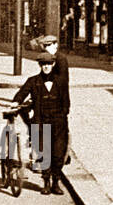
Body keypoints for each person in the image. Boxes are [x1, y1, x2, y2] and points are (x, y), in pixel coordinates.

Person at [12, 52, 70, 194]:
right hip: (41, 122)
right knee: (44, 153)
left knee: (58, 154)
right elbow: (21, 94)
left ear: (53, 64)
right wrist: (15, 102)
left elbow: (66, 103)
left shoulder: (61, 81)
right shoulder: (33, 81)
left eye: (49, 64)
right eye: (43, 64)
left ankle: (56, 183)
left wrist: (62, 116)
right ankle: (46, 182)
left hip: (58, 123)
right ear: (40, 65)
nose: (46, 67)